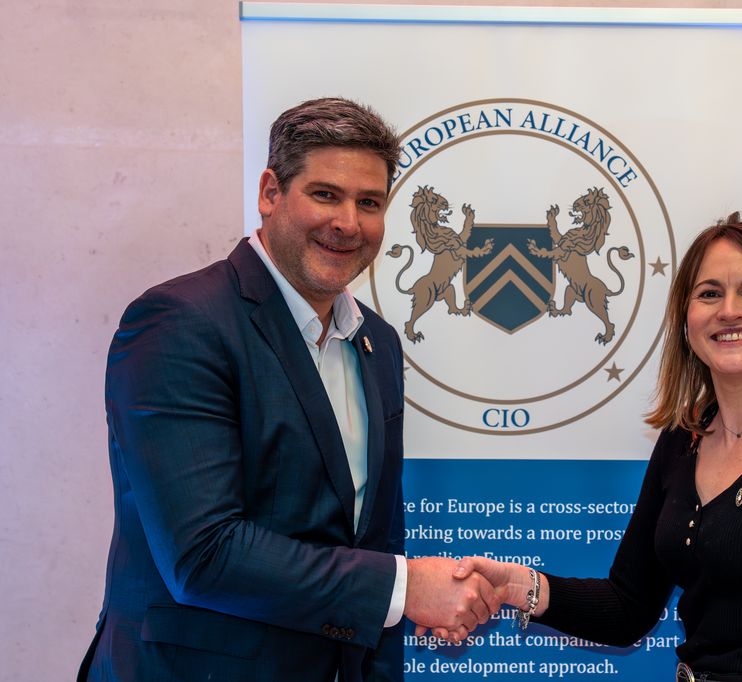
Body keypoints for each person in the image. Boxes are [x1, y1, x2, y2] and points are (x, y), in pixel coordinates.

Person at [78, 97, 500, 682]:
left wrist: (403, 604)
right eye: (325, 194)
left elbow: (371, 538)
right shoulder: (181, 322)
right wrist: (405, 589)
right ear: (270, 192)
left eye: (369, 203)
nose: (348, 222)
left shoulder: (377, 343)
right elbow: (203, 554)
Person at [446, 214, 742, 681]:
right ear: (687, 322)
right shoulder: (682, 440)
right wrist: (516, 586)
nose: (729, 310)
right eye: (709, 294)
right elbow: (627, 606)